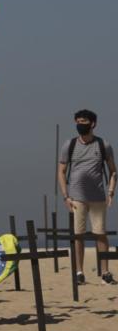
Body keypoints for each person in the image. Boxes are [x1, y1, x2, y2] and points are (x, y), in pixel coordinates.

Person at [57, 109, 117, 285]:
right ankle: (79, 272)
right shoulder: (69, 145)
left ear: (93, 124)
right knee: (79, 235)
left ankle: (105, 272)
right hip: (76, 198)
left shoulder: (103, 145)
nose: (80, 124)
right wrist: (65, 196)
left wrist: (111, 192)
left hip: (98, 197)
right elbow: (61, 171)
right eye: (78, 121)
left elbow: (113, 171)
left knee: (100, 234)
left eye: (84, 121)